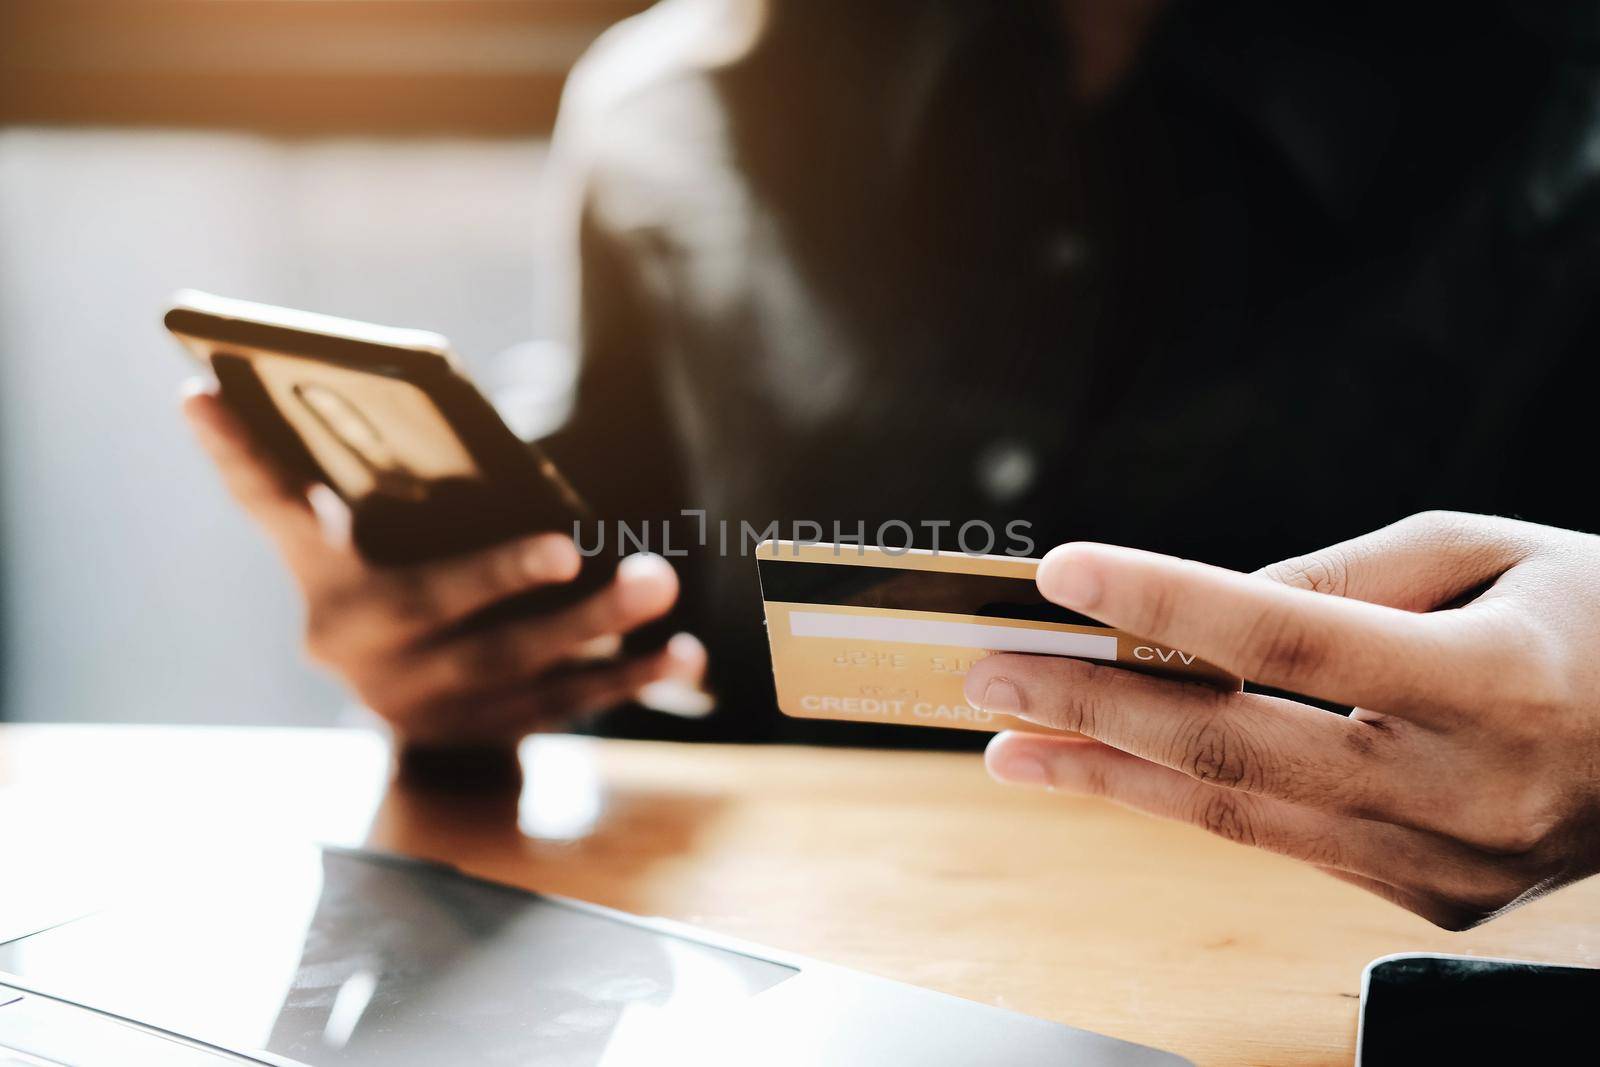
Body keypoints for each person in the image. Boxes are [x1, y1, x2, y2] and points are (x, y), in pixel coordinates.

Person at [182, 0, 1600, 927]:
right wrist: (453, 673)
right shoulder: (672, 108)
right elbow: (617, 614)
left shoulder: (1562, 109)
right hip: (766, 987)